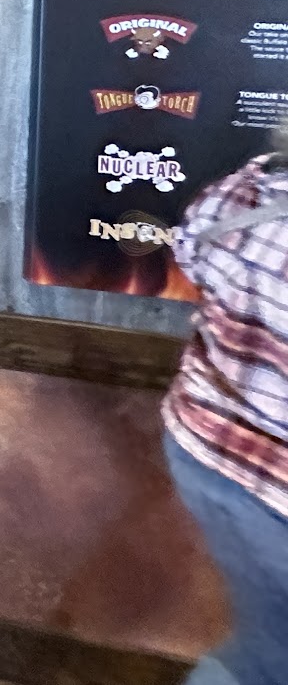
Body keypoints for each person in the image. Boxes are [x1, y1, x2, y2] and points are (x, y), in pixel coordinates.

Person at [161, 144, 288, 685]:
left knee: (268, 644)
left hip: (201, 445)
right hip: (274, 491)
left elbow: (188, 253)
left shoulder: (238, 191)